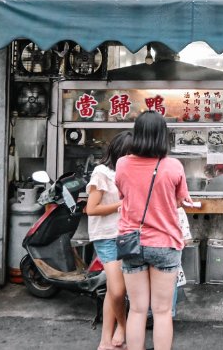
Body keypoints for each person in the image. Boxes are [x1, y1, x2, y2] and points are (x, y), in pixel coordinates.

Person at [115, 111, 191, 350]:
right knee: (162, 311)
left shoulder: (122, 164)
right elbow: (180, 201)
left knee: (136, 309)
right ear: (162, 136)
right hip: (165, 242)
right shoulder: (173, 166)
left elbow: (123, 196)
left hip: (131, 242)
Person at [86, 131, 133, 350]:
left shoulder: (128, 173)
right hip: (105, 237)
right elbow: (91, 209)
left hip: (124, 235)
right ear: (120, 153)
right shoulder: (102, 173)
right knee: (117, 290)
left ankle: (106, 340)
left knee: (113, 290)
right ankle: (122, 327)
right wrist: (119, 206)